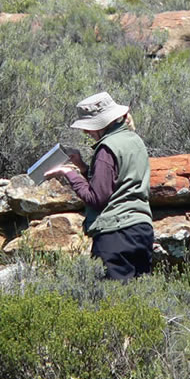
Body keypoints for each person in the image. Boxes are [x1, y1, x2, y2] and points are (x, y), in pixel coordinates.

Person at [44, 92, 153, 280]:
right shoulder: (134, 140)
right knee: (138, 293)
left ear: (103, 123)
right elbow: (118, 182)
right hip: (142, 230)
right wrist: (83, 167)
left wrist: (69, 173)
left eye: (89, 127)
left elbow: (96, 199)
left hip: (115, 235)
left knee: (111, 295)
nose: (86, 132)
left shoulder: (106, 149)